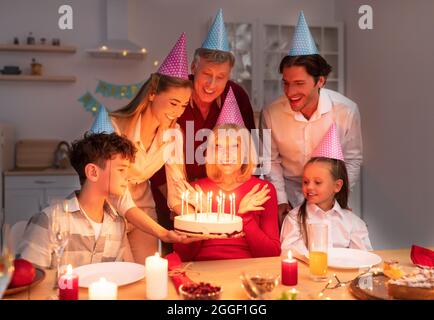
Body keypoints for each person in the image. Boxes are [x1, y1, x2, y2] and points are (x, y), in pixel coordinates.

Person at [150, 9, 256, 235]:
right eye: (207, 74)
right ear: (193, 68)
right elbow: (155, 149)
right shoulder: (175, 95)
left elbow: (248, 148)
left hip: (220, 199)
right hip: (171, 196)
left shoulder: (237, 96)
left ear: (229, 75)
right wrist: (176, 201)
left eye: (221, 77)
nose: (211, 84)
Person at [261, 12, 363, 227]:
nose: (290, 91)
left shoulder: (346, 111)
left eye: (299, 83)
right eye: (286, 83)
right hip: (288, 196)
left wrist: (338, 197)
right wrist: (280, 200)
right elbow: (271, 161)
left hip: (329, 198)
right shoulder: (271, 113)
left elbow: (352, 159)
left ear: (320, 81)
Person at [106, 33, 199, 263]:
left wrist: (196, 219)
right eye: (173, 103)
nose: (178, 112)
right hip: (109, 210)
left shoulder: (174, 134)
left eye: (184, 105)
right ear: (152, 94)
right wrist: (162, 232)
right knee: (124, 274)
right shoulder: (114, 127)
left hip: (144, 207)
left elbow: (177, 189)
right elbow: (117, 194)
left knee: (146, 273)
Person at [174, 94, 280, 261]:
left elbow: (270, 254)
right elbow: (184, 255)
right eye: (219, 147)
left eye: (235, 146)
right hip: (204, 269)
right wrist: (201, 215)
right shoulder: (197, 191)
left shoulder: (263, 191)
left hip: (246, 270)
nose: (226, 154)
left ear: (246, 150)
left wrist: (244, 217)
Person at [17, 132, 137, 268]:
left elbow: (119, 276)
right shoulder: (49, 221)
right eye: (121, 170)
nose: (128, 177)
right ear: (93, 172)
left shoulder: (118, 224)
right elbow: (29, 281)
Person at [280, 124, 372, 257]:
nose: (309, 187)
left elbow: (363, 258)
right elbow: (290, 254)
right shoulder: (295, 219)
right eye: (305, 182)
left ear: (337, 186)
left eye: (317, 182)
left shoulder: (353, 223)